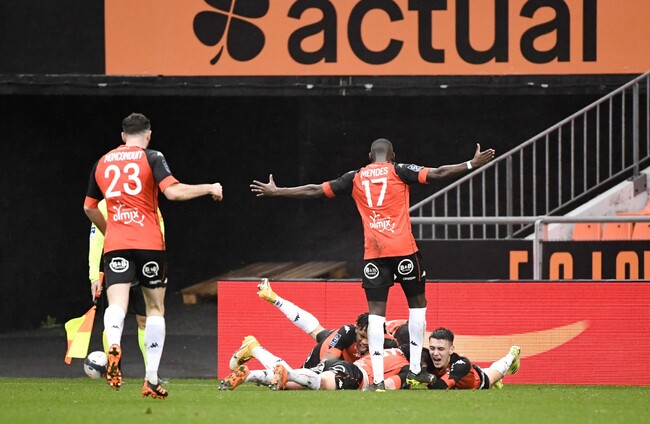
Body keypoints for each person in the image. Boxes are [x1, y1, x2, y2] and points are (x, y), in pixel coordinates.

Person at [251, 139, 495, 391]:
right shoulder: (399, 170)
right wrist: (471, 164)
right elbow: (438, 173)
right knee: (417, 306)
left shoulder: (353, 177)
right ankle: (415, 369)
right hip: (404, 251)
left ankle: (377, 379)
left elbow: (316, 190)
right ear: (393, 155)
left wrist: (278, 191)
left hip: (375, 255)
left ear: (369, 156)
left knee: (376, 316)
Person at [83, 112, 223, 399]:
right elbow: (173, 193)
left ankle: (114, 343)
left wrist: (111, 231)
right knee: (154, 310)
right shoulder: (152, 157)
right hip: (148, 242)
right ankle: (151, 378)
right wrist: (209, 187)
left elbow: (89, 207)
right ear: (148, 135)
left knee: (117, 304)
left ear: (123, 136)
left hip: (117, 243)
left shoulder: (102, 162)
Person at [88, 199, 167, 383]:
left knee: (138, 319)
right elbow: (96, 240)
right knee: (124, 317)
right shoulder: (104, 205)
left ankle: (146, 372)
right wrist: (94, 276)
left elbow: (160, 233)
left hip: (133, 265)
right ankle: (120, 371)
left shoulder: (149, 202)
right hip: (128, 263)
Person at [424, 327, 520, 390]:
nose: (435, 353)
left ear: (451, 350)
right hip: (467, 372)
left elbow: (439, 387)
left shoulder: (461, 365)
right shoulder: (426, 357)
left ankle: (512, 355)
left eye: (440, 349)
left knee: (494, 374)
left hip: (479, 380)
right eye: (432, 348)